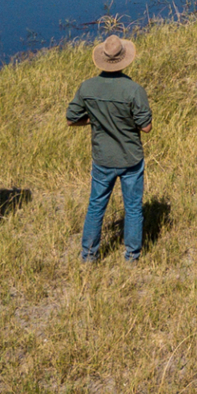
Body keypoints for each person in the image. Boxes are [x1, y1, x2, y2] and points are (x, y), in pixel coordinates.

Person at [66, 34, 153, 263]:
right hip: (130, 158)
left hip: (102, 157)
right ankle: (132, 256)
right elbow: (146, 128)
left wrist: (94, 120)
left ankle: (88, 255)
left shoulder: (87, 87)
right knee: (133, 208)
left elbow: (70, 119)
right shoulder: (134, 90)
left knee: (96, 206)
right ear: (125, 59)